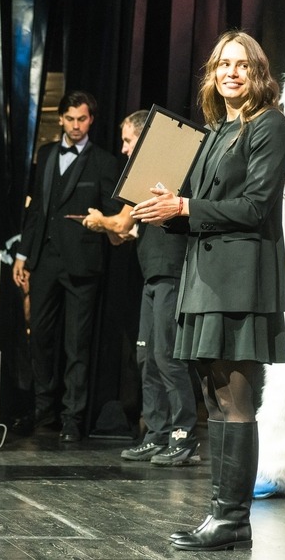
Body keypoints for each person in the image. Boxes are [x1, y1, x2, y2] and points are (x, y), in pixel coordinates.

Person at [131, 30, 285, 551]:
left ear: (258, 73)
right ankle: (222, 514)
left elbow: (255, 207)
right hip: (203, 278)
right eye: (223, 64)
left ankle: (233, 518)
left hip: (241, 281)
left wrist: (186, 207)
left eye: (242, 65)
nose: (231, 73)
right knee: (214, 400)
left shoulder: (269, 125)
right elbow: (201, 207)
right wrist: (169, 207)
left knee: (235, 400)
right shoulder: (216, 131)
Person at [84, 110, 199, 466]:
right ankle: (156, 433)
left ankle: (183, 435)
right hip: (151, 275)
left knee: (166, 356)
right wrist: (110, 227)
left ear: (144, 137)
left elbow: (120, 223)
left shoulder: (158, 173)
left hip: (169, 273)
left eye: (127, 140)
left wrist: (100, 220)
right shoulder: (145, 182)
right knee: (146, 357)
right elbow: (125, 232)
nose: (122, 148)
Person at [12, 90, 121, 442]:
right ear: (60, 119)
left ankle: (72, 416)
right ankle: (43, 408)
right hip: (44, 259)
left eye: (82, 119)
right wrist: (23, 255)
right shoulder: (46, 154)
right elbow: (36, 209)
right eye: (70, 119)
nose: (76, 126)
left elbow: (113, 215)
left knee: (77, 344)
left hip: (82, 262)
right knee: (40, 338)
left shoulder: (103, 162)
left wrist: (102, 222)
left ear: (91, 120)